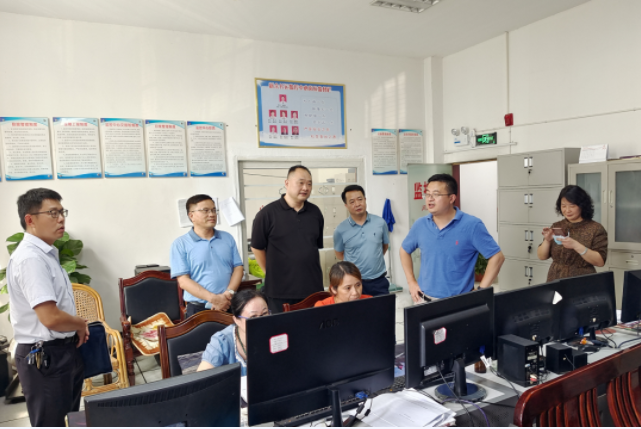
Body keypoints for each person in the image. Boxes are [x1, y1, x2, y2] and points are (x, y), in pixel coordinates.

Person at [6, 188, 89, 427]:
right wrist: (80, 323)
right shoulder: (30, 258)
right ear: (30, 219)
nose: (61, 219)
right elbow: (50, 317)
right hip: (45, 356)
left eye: (62, 212)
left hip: (61, 351)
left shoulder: (46, 254)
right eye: (53, 213)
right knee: (52, 423)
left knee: (68, 420)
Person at [400, 173, 505, 302]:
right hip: (424, 300)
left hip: (459, 302)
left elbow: (497, 257)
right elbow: (404, 250)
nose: (430, 199)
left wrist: (481, 291)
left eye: (436, 194)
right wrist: (411, 282)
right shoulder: (420, 224)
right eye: (427, 194)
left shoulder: (472, 225)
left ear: (451, 198)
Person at [251, 165, 324, 314]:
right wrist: (270, 272)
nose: (305, 188)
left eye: (309, 184)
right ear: (287, 183)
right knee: (282, 328)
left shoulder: (315, 212)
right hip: (280, 291)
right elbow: (257, 247)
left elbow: (314, 247)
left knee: (313, 327)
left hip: (312, 289)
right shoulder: (267, 214)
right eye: (301, 183)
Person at [171, 195, 244, 318]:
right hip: (199, 308)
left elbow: (238, 267)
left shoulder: (227, 238)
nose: (212, 214)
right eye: (205, 210)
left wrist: (228, 294)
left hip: (228, 303)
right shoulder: (180, 244)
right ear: (191, 215)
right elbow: (183, 281)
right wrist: (213, 299)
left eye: (214, 210)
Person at [537, 185, 608, 281]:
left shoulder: (595, 228)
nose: (567, 210)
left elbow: (600, 261)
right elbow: (541, 256)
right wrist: (547, 240)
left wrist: (576, 245)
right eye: (563, 206)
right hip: (555, 279)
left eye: (572, 206)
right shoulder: (557, 226)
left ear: (582, 205)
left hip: (582, 280)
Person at [333, 185, 390, 296]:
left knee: (384, 307)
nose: (357, 204)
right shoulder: (340, 230)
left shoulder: (380, 223)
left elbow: (384, 246)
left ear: (365, 199)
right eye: (352, 202)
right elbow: (339, 254)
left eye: (360, 199)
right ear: (346, 205)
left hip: (379, 280)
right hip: (354, 283)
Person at [197, 289, 270, 376]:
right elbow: (202, 378)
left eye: (265, 313)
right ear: (237, 320)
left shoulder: (275, 334)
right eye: (253, 316)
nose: (261, 321)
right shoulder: (221, 341)